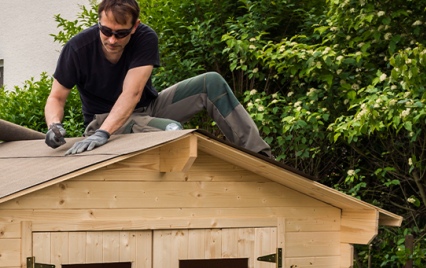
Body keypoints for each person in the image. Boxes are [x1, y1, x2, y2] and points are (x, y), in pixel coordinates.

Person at [44, 0, 274, 159]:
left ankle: (262, 158)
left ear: (135, 27)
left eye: (121, 34)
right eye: (106, 31)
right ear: (98, 23)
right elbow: (56, 97)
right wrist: (54, 126)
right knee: (171, 130)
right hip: (102, 121)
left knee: (210, 82)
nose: (112, 40)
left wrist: (106, 134)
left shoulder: (145, 37)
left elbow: (132, 94)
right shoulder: (77, 48)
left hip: (148, 108)